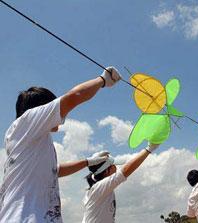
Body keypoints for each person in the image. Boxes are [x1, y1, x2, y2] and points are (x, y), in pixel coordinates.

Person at [0, 67, 121, 223]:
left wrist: (88, 162)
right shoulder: (26, 122)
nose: (59, 115)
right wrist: (103, 80)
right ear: (40, 110)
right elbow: (73, 97)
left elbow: (54, 171)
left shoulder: (33, 141)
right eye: (51, 106)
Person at [82, 143, 160, 223]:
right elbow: (125, 171)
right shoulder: (99, 187)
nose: (116, 168)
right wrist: (149, 149)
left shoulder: (102, 188)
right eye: (114, 166)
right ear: (106, 171)